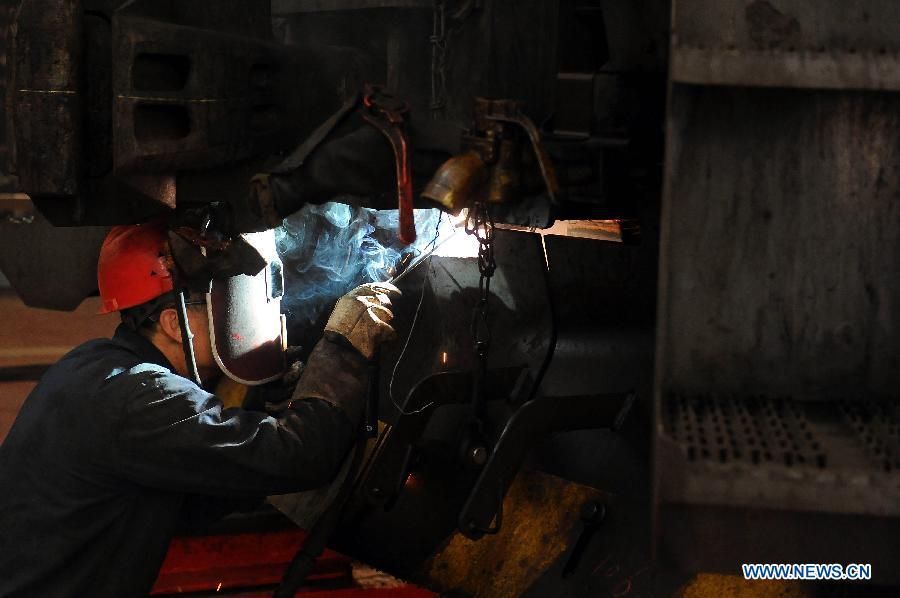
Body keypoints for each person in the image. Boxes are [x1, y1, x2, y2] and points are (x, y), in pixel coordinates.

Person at [0, 221, 400, 597]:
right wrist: (342, 349)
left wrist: (255, 442)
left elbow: (184, 503)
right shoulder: (142, 395)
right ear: (176, 324)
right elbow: (300, 456)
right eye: (227, 301)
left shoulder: (95, 365)